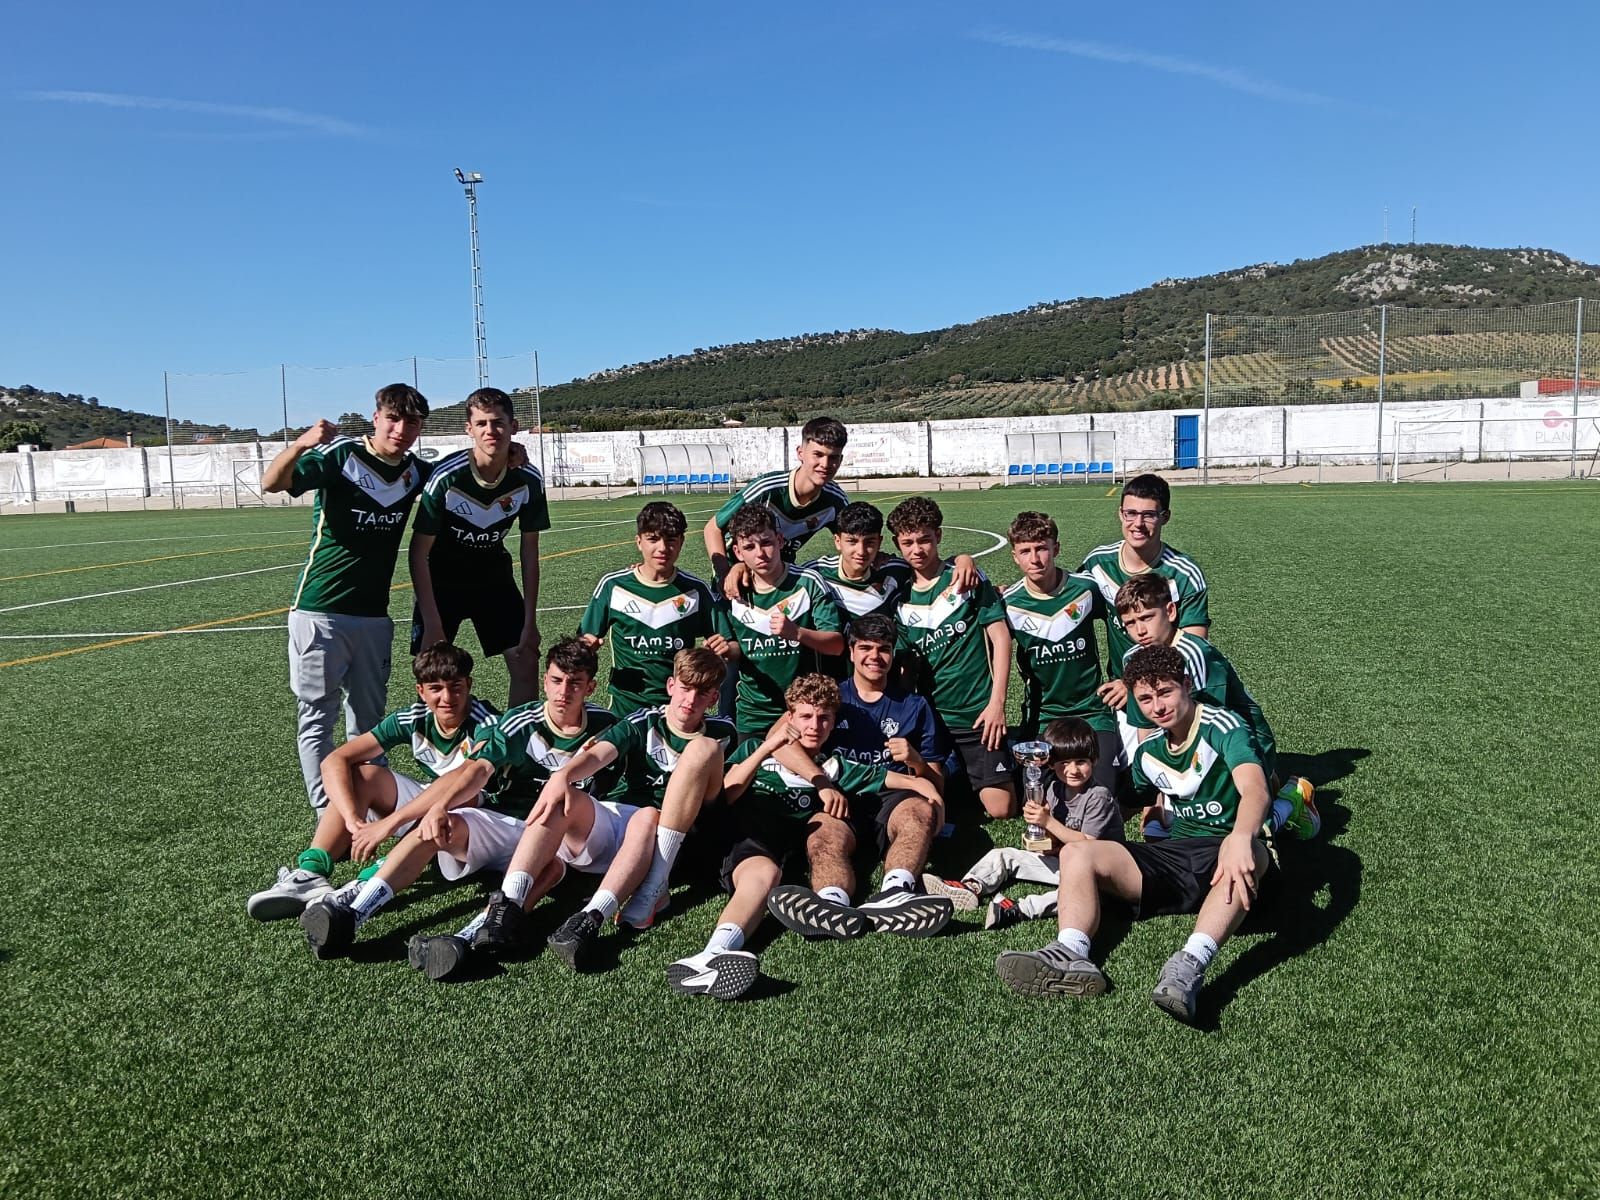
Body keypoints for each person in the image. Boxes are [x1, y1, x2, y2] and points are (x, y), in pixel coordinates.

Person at [995, 644, 1273, 1025]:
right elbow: (1121, 806)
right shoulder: (1150, 751)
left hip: (1225, 849)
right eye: (1144, 698)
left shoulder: (1222, 726)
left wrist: (1241, 836)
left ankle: (1188, 966)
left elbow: (1255, 789)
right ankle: (1069, 951)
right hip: (1172, 857)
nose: (1156, 706)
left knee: (1254, 852)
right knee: (1079, 855)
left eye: (1164, 692)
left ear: (1186, 685)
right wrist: (1072, 829)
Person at [667, 675, 948, 999]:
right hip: (734, 840)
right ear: (789, 718)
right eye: (805, 716)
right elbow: (729, 793)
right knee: (762, 875)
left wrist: (931, 796)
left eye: (824, 718)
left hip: (773, 853)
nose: (815, 725)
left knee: (767, 874)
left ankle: (711, 958)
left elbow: (900, 781)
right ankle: (710, 956)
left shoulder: (835, 766)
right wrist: (767, 748)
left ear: (833, 724)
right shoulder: (756, 749)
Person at [475, 647, 736, 947]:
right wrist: (563, 775)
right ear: (671, 686)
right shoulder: (643, 721)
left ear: (715, 698)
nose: (690, 701)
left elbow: (732, 788)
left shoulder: (723, 731)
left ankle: (592, 917)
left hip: (679, 838)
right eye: (685, 688)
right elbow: (600, 753)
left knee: (695, 758)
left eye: (702, 693)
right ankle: (506, 905)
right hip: (625, 828)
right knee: (564, 796)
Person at [262, 383, 431, 812]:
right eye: (393, 418)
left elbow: (463, 475)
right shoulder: (341, 456)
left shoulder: (416, 472)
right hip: (320, 610)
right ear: (376, 418)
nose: (401, 429)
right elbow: (271, 482)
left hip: (374, 617)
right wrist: (301, 443)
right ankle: (328, 815)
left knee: (369, 725)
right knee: (318, 717)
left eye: (411, 422)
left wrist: (514, 454)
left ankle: (371, 808)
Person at [246, 641, 495, 920]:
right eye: (436, 688)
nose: (447, 697)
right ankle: (311, 873)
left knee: (456, 801)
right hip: (433, 804)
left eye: (456, 686)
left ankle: (368, 882)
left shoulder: (486, 723)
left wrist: (389, 824)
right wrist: (354, 820)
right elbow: (334, 761)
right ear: (421, 691)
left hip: (476, 818)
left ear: (469, 684)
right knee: (363, 775)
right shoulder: (414, 717)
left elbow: (463, 782)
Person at [1105, 574, 1319, 840]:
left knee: (1241, 828)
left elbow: (1217, 723)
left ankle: (1289, 800)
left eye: (1147, 617)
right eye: (1130, 623)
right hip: (1187, 741)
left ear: (1170, 611)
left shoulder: (1193, 653)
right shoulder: (1133, 659)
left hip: (1237, 738)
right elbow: (1147, 729)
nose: (1140, 630)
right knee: (1162, 831)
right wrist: (1154, 796)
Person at [409, 387, 549, 706]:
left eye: (498, 422)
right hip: (443, 581)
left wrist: (530, 621)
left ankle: (514, 751)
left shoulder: (527, 479)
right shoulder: (447, 477)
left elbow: (530, 551)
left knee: (526, 660)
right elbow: (419, 552)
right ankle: (437, 751)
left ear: (513, 427)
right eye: (482, 423)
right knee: (432, 672)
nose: (491, 430)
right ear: (468, 429)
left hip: (493, 579)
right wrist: (432, 624)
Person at [922, 717, 1121, 929]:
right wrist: (1045, 837)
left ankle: (1018, 909)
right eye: (1064, 763)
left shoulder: (1098, 796)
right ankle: (971, 886)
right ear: (1051, 764)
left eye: (1081, 761)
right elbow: (1060, 835)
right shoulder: (1055, 788)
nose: (1073, 770)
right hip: (1066, 861)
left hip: (1101, 873)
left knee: (1076, 893)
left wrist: (1048, 822)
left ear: (1095, 760)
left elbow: (1087, 843)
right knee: (1004, 855)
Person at [887, 497, 1015, 819]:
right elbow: (906, 669)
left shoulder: (965, 579)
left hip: (978, 714)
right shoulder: (900, 599)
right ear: (898, 544)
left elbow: (1000, 637)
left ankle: (1009, 755)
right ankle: (957, 772)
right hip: (933, 718)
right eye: (908, 542)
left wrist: (997, 703)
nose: (917, 549)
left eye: (925, 539)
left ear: (939, 536)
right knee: (929, 798)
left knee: (1001, 810)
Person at [1001, 510, 1120, 790]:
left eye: (1042, 548)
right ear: (1014, 556)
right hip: (1043, 715)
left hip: (1092, 711)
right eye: (1025, 551)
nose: (1035, 558)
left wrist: (1126, 677)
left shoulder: (1086, 589)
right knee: (1037, 793)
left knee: (1103, 788)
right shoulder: (1008, 604)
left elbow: (1122, 627)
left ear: (1056, 548)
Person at [708, 505, 845, 741]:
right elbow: (736, 648)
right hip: (753, 714)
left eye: (766, 542)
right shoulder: (733, 591)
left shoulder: (807, 582)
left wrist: (797, 632)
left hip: (804, 711)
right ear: (738, 553)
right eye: (750, 547)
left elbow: (836, 645)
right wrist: (723, 651)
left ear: (780, 541)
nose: (760, 553)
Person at [579, 501, 717, 716]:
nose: (662, 548)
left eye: (671, 540)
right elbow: (584, 640)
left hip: (677, 708)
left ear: (681, 542)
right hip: (625, 707)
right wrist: (587, 647)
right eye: (652, 539)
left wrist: (720, 650)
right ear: (639, 541)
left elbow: (728, 645)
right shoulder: (613, 585)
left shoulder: (696, 590)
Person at [1078, 473, 1209, 680]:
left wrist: (1134, 682)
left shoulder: (1184, 574)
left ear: (1165, 517)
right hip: (1119, 689)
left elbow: (1193, 649)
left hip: (1168, 690)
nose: (1138, 523)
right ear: (1121, 514)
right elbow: (1064, 595)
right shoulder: (1098, 563)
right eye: (1131, 513)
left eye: (1148, 515)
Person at [704, 416, 852, 588]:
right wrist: (724, 574)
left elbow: (856, 537)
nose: (825, 464)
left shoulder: (835, 500)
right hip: (735, 569)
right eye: (818, 454)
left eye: (833, 457)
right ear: (800, 453)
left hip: (777, 574)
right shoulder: (766, 489)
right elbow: (713, 528)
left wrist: (877, 557)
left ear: (840, 460)